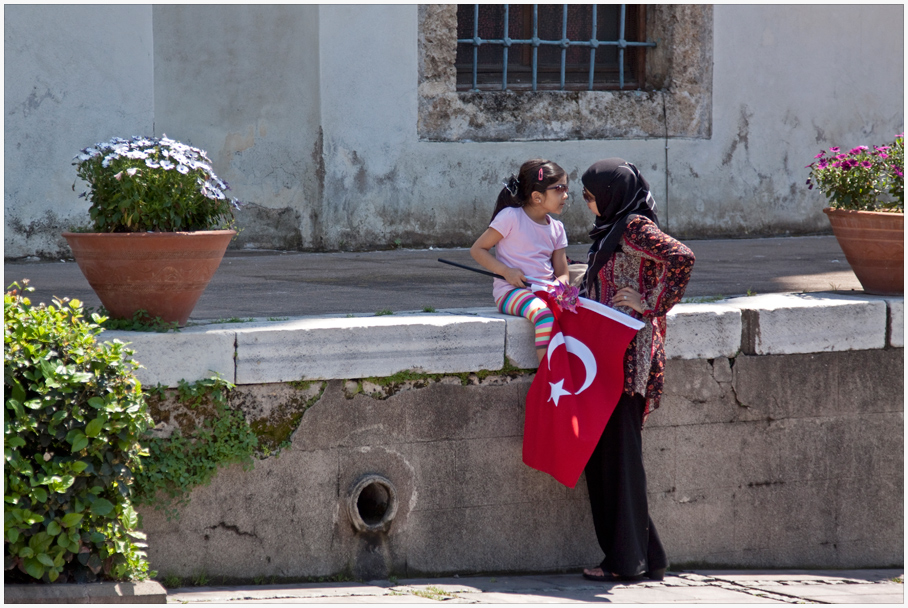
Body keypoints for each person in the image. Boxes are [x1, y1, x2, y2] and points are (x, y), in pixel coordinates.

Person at [578, 158, 695, 582]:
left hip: (625, 358)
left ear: (610, 196)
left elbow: (682, 257)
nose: (587, 203)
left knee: (618, 460)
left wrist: (652, 302)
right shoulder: (617, 228)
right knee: (616, 458)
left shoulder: (632, 227)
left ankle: (625, 563)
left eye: (590, 196)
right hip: (610, 352)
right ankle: (648, 556)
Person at [470, 159, 570, 363]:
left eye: (566, 188)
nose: (565, 195)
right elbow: (478, 249)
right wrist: (506, 272)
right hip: (512, 292)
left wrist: (560, 285)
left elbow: (563, 272)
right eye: (559, 189)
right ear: (537, 197)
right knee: (544, 316)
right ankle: (549, 375)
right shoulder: (511, 217)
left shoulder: (557, 228)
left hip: (547, 293)